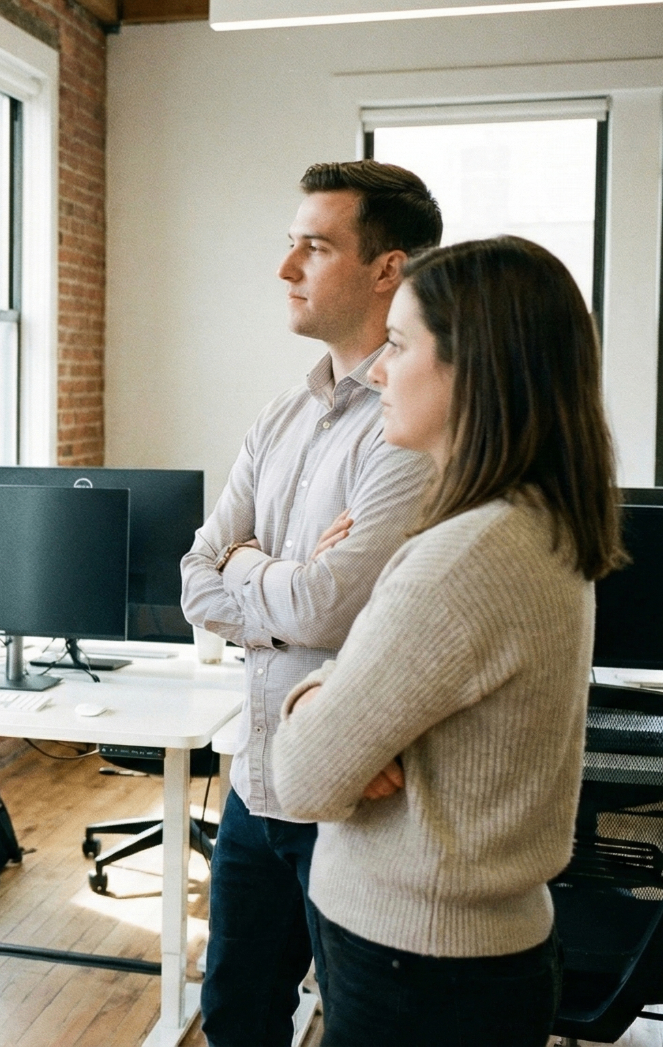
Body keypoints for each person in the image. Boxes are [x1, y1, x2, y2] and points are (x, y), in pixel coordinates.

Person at [272, 236, 626, 1046]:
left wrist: (315, 692)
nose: (377, 370)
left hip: (416, 961)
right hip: (468, 951)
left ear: (478, 369)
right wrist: (346, 704)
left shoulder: (463, 557)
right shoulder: (532, 523)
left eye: (398, 344)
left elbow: (303, 773)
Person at [178, 160, 442, 1046]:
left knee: (357, 1026)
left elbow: (332, 606)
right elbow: (193, 577)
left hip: (355, 798)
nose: (286, 268)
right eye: (289, 244)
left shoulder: (409, 423)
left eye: (315, 246)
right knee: (234, 1018)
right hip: (257, 784)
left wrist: (249, 568)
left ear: (387, 270)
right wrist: (276, 578)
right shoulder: (280, 416)